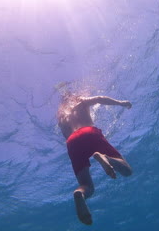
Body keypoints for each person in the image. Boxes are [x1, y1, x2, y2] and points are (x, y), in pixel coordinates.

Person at [57, 93, 133, 225]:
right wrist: (120, 102)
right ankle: (106, 158)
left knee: (87, 186)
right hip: (89, 131)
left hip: (72, 142)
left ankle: (79, 194)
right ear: (72, 96)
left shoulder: (61, 116)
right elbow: (99, 99)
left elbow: (65, 136)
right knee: (127, 170)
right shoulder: (79, 101)